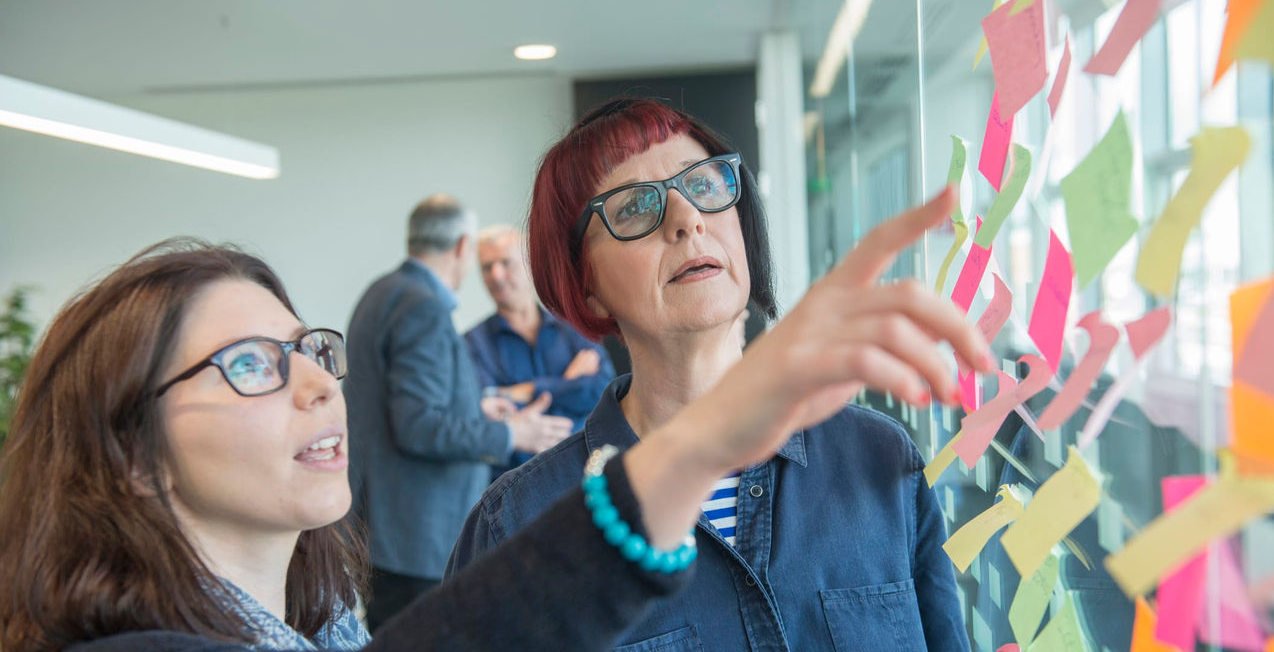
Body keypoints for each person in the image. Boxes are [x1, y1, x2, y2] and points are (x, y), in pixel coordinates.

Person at [0, 181, 989, 651]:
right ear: (129, 453)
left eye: (311, 352)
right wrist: (698, 443)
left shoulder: (325, 631)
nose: (316, 385)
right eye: (252, 365)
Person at [447, 98, 981, 651]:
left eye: (704, 185)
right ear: (587, 286)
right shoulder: (518, 524)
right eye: (633, 208)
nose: (687, 220)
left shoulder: (875, 456)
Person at [342, 195, 573, 629]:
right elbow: (418, 427)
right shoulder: (423, 307)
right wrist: (512, 436)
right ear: (464, 246)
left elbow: (402, 405)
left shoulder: (383, 292)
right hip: (418, 539)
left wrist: (477, 407)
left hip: (391, 531)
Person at [464, 224, 615, 476]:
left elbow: (602, 389)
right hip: (512, 487)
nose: (496, 275)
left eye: (505, 262)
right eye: (487, 267)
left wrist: (529, 391)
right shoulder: (471, 344)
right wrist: (567, 383)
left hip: (584, 477)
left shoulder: (575, 328)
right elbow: (487, 413)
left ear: (528, 264)